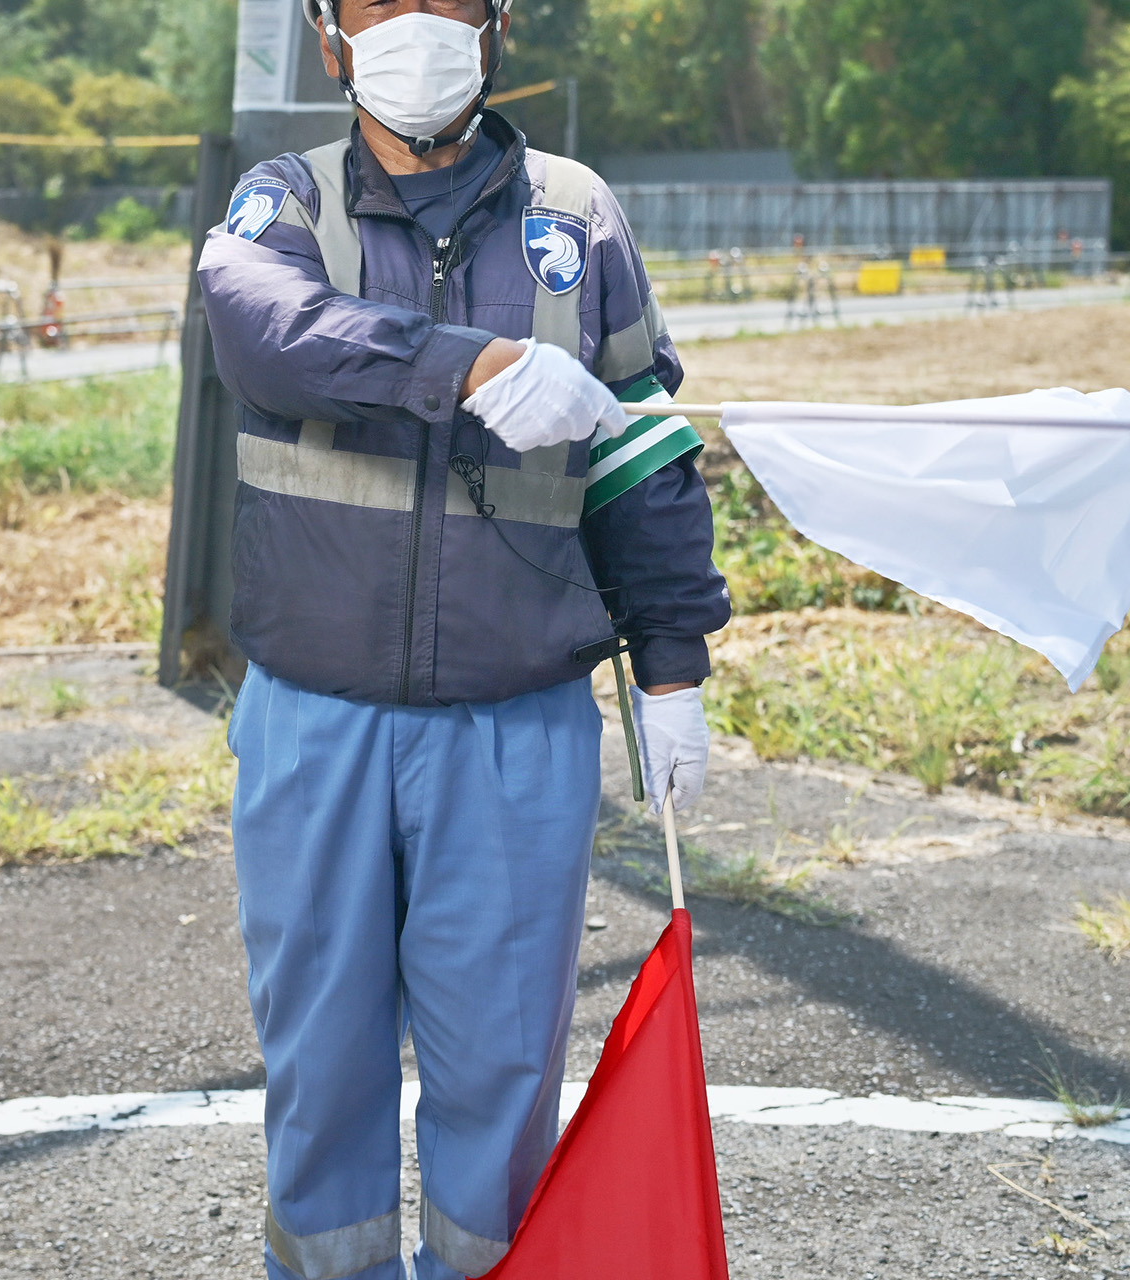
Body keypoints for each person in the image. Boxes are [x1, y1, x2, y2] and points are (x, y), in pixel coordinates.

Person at [195, 2, 730, 1277]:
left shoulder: (576, 217)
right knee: (319, 1061)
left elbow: (642, 452)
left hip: (515, 725)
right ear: (329, 36)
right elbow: (266, 335)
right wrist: (478, 364)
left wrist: (672, 667)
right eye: (379, 3)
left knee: (502, 1067)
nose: (415, 29)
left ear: (495, 25)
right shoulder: (287, 201)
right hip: (314, 720)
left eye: (446, 0)